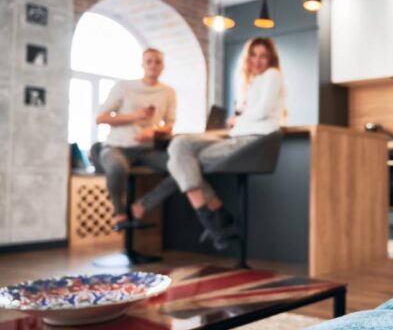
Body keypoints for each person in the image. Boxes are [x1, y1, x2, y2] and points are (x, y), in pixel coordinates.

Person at [166, 37, 285, 250]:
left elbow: (263, 111)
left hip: (254, 141)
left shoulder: (272, 75)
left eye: (263, 56)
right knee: (179, 145)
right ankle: (218, 218)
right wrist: (240, 115)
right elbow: (247, 114)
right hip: (237, 137)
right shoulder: (250, 83)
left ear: (270, 59)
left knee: (183, 161)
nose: (257, 60)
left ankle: (213, 221)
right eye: (253, 55)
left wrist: (237, 119)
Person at [96, 48, 177, 229]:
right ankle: (120, 213)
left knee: (181, 168)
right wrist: (135, 116)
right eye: (149, 61)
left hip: (147, 150)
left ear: (163, 66)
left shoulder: (168, 92)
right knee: (117, 168)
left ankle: (142, 205)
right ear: (142, 64)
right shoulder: (124, 87)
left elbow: (170, 124)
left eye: (157, 62)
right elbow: (100, 118)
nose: (153, 65)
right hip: (117, 146)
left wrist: (154, 131)